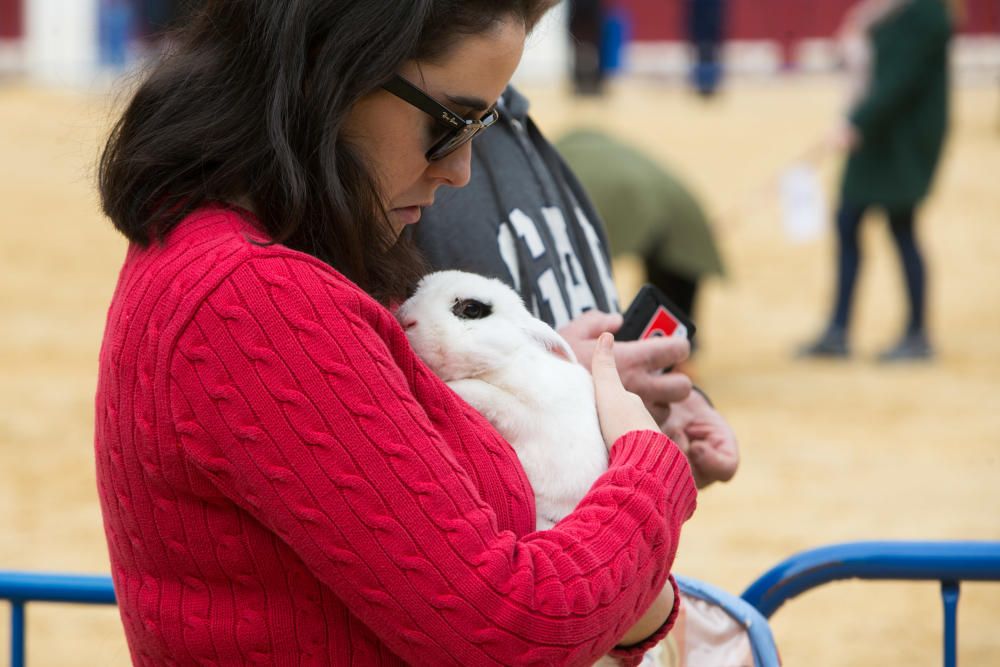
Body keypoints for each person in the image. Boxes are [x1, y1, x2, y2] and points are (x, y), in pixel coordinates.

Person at [94, 1, 698, 664]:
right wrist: (647, 467)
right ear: (333, 70)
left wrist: (539, 378)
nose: (461, 168)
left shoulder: (244, 257)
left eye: (484, 126)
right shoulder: (256, 295)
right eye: (450, 124)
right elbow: (508, 625)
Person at [414, 89, 738, 491]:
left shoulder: (530, 140)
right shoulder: (419, 177)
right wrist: (570, 386)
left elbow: (585, 311)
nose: (457, 168)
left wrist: (667, 409)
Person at [799, 0, 953, 362]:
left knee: (900, 226)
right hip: (880, 137)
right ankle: (839, 330)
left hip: (902, 140)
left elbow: (900, 81)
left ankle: (915, 334)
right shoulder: (890, 8)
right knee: (850, 221)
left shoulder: (926, 11)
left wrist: (858, 121)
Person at [553, 128, 726, 339]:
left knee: (669, 319)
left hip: (676, 231)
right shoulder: (578, 163)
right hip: (676, 220)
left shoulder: (564, 165)